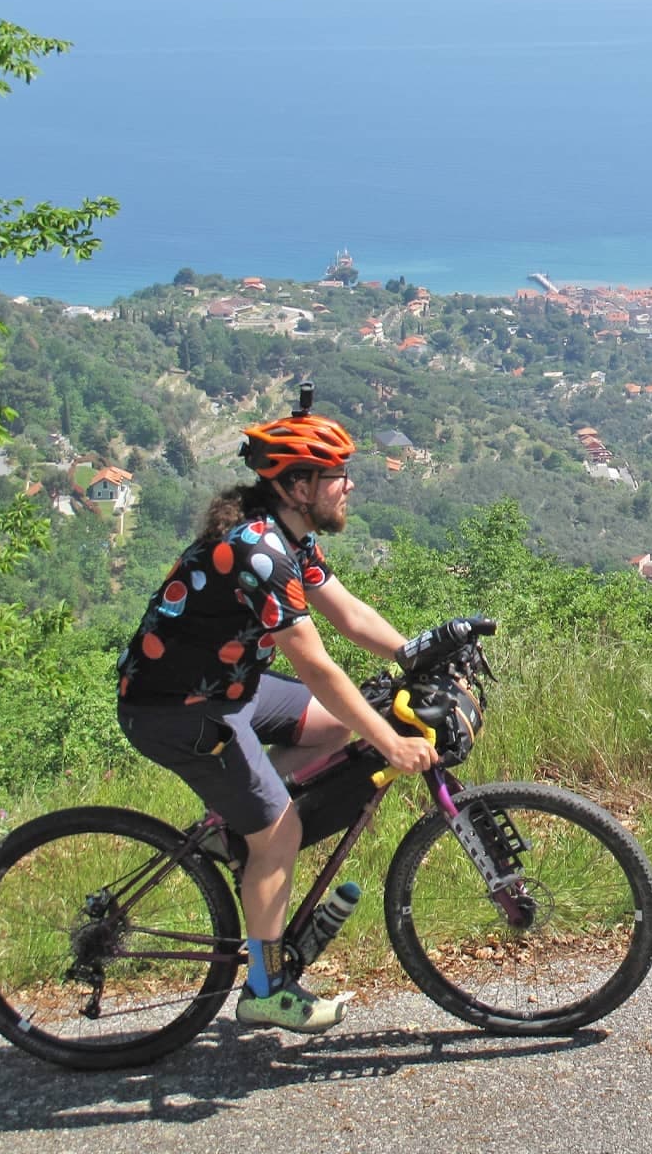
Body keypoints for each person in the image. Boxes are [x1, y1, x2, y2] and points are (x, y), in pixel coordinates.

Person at [115, 391, 436, 1034]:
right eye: (337, 475)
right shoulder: (258, 550)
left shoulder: (291, 536)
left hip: (227, 689)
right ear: (297, 485)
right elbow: (318, 664)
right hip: (176, 708)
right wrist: (392, 742)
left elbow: (349, 615)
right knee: (283, 830)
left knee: (332, 723)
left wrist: (415, 654)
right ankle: (266, 985)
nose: (349, 486)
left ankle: (245, 836)